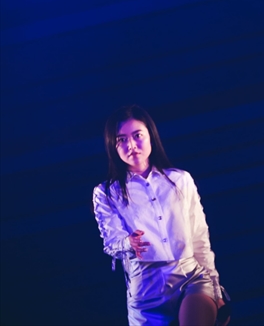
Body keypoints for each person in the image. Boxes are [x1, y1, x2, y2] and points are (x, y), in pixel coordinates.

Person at [92, 105, 228, 326]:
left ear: (150, 136)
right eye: (121, 140)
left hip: (190, 276)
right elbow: (111, 243)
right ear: (113, 146)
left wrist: (216, 290)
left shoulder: (180, 180)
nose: (131, 145)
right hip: (145, 288)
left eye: (137, 136)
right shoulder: (107, 193)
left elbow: (200, 239)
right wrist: (128, 243)